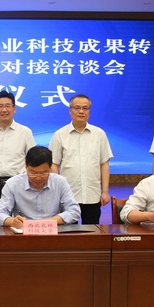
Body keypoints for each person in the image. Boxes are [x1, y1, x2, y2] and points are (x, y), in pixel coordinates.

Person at [49, 94, 112, 224]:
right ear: (70, 110)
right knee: (68, 233)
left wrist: (105, 191)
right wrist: (58, 190)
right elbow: (54, 164)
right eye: (77, 108)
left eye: (85, 108)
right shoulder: (59, 135)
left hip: (92, 195)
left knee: (92, 231)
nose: (81, 111)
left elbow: (104, 164)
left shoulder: (99, 134)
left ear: (89, 111)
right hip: (68, 195)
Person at [0, 90, 36, 225]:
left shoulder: (25, 132)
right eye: (0, 106)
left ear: (14, 108)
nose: (4, 110)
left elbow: (32, 160)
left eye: (8, 106)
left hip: (19, 184)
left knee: (20, 223)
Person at [0, 146, 80, 227]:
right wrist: (12, 221)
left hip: (52, 231)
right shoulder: (13, 184)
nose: (38, 178)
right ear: (26, 166)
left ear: (50, 168)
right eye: (33, 173)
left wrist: (50, 221)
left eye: (43, 173)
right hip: (23, 232)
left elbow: (74, 211)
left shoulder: (60, 182)